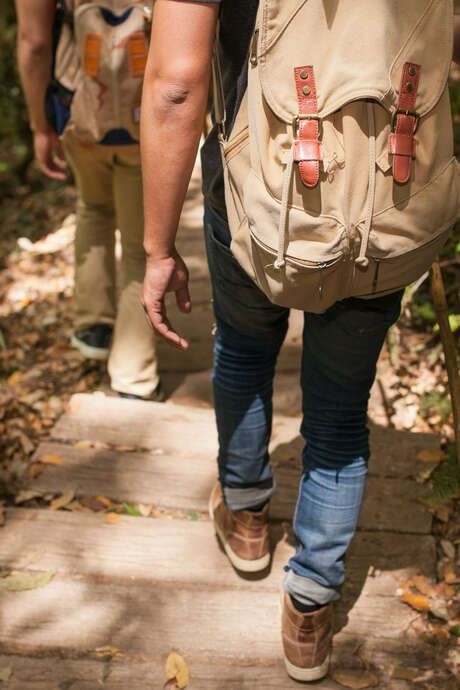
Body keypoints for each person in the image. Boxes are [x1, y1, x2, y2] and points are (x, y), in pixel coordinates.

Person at [140, 1, 460, 682]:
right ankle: (312, 605)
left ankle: (247, 513)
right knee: (341, 407)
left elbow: (175, 82)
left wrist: (157, 246)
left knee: (245, 351)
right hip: (388, 193)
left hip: (256, 188)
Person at [15, 0, 163, 401]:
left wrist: (39, 126)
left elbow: (33, 43)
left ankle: (95, 326)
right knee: (139, 244)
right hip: (144, 115)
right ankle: (134, 376)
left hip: (79, 112)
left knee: (93, 207)